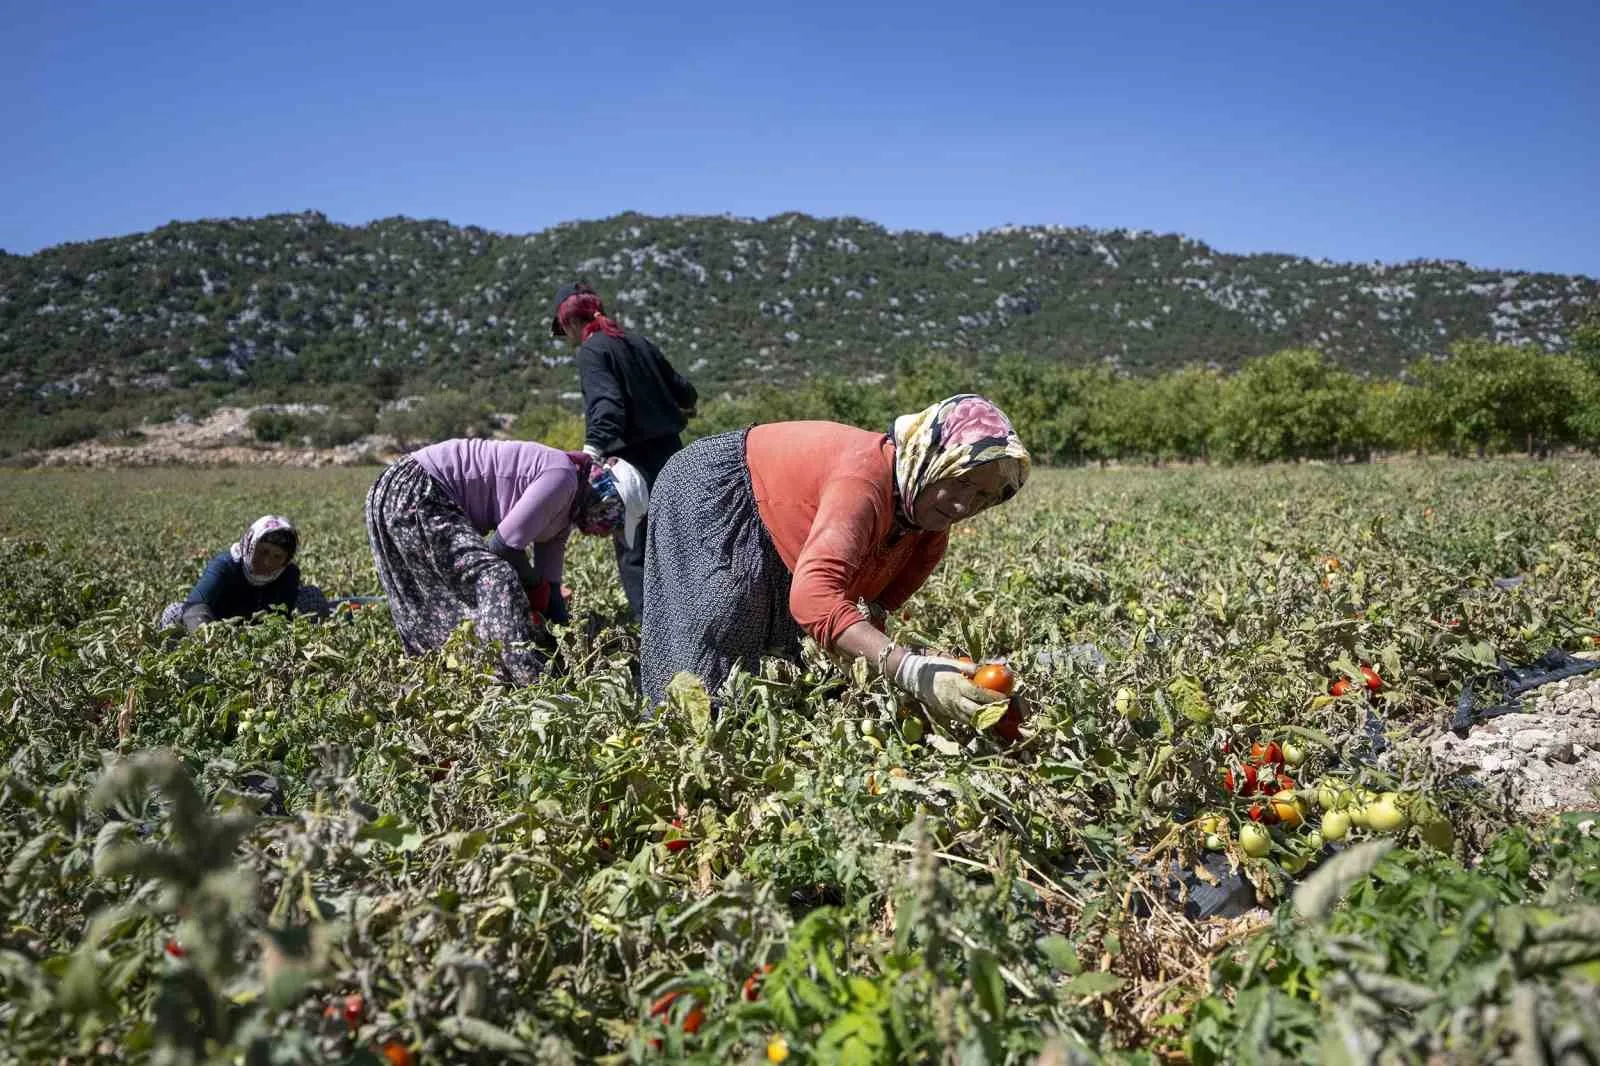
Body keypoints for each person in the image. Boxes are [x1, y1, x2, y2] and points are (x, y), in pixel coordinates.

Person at [640, 394, 1031, 730]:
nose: (965, 504)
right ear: (933, 458)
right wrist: (911, 672)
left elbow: (867, 614)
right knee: (724, 616)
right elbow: (814, 599)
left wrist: (937, 671)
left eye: (982, 497)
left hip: (781, 517)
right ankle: (674, 741)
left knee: (784, 652)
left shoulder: (929, 526)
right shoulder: (864, 481)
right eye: (960, 481)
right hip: (718, 488)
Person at [364, 437, 647, 685]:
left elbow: (552, 590)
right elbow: (503, 548)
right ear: (608, 499)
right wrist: (535, 587)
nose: (605, 533)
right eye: (613, 523)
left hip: (413, 491)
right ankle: (530, 678)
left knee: (459, 593)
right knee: (496, 577)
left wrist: (566, 642)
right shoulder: (562, 477)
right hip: (415, 488)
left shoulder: (563, 517)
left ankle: (464, 671)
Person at [552, 281, 697, 620]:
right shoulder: (639, 343)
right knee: (676, 549)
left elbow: (608, 406)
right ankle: (694, 625)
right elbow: (685, 391)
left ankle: (657, 644)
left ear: (571, 323)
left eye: (564, 329)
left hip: (632, 469)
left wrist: (591, 455)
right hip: (674, 459)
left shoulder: (591, 351)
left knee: (636, 556)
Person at [158, 515, 326, 633]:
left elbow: (283, 616)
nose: (267, 562)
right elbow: (195, 605)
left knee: (312, 596)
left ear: (285, 560)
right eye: (263, 552)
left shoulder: (288, 574)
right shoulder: (225, 566)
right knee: (175, 613)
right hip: (218, 633)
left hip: (266, 639)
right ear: (250, 545)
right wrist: (209, 641)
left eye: (277, 557)